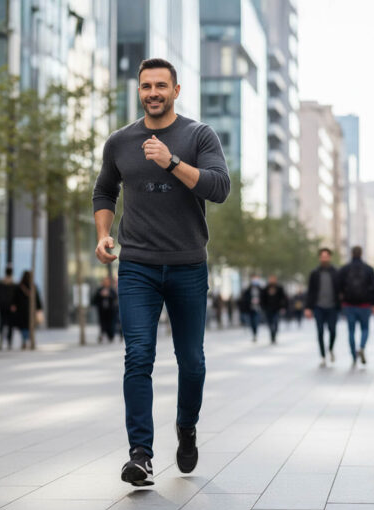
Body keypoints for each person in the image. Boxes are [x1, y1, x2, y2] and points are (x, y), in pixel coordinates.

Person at [92, 57, 230, 486]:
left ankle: (186, 428)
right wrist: (103, 234)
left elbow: (219, 188)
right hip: (137, 267)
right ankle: (141, 454)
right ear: (139, 91)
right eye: (146, 86)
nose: (153, 93)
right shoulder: (119, 141)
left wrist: (171, 162)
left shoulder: (198, 135)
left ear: (176, 89)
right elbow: (104, 190)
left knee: (192, 363)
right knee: (138, 356)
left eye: (161, 86)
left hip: (188, 265)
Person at [337, 246, 374, 366]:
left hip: (349, 305)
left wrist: (341, 301)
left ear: (351, 254)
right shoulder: (369, 269)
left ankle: (353, 355)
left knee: (351, 331)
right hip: (365, 305)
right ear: (361, 254)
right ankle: (361, 347)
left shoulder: (344, 269)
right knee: (365, 329)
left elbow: (338, 287)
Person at [305, 248, 341, 366]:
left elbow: (341, 290)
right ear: (320, 258)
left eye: (326, 256)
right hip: (318, 307)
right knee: (320, 332)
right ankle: (323, 356)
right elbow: (310, 291)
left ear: (329, 257)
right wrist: (308, 308)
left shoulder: (336, 272)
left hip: (332, 307)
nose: (324, 258)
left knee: (333, 331)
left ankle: (330, 348)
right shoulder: (314, 273)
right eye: (322, 256)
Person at [13, 270, 43, 350]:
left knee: (23, 326)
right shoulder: (33, 286)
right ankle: (28, 339)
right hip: (31, 310)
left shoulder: (19, 286)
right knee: (30, 325)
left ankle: (24, 340)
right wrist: (39, 308)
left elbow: (15, 298)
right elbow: (37, 299)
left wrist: (14, 306)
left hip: (21, 310)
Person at [0, 265, 17, 350]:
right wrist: (14, 305)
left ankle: (1, 338)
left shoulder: (1, 283)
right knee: (10, 325)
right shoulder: (13, 283)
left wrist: (0, 302)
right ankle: (9, 341)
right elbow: (16, 297)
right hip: (11, 307)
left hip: (2, 306)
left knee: (2, 322)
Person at [260, 275, 287, 344]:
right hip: (268, 309)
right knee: (270, 323)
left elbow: (284, 298)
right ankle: (272, 335)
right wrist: (263, 307)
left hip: (277, 309)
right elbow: (262, 299)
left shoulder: (279, 288)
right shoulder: (265, 288)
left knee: (275, 322)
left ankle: (274, 335)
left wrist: (283, 307)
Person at [92, 276, 118, 343]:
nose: (106, 283)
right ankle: (102, 335)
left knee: (111, 324)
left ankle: (111, 336)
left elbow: (115, 298)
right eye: (104, 282)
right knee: (102, 324)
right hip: (102, 311)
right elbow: (94, 300)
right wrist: (101, 295)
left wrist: (108, 295)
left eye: (107, 282)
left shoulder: (111, 290)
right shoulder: (99, 290)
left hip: (111, 311)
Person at [241, 276, 264, 342]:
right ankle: (254, 333)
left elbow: (264, 298)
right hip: (250, 309)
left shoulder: (260, 290)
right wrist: (250, 301)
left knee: (256, 321)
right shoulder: (248, 290)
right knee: (251, 322)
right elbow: (245, 299)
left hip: (258, 309)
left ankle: (255, 333)